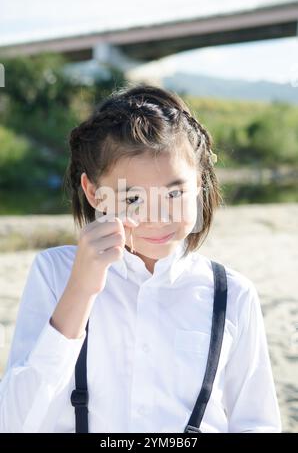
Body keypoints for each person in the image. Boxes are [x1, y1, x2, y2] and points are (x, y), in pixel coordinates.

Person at [0, 84, 281, 433]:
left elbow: (257, 423)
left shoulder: (233, 294)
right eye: (132, 198)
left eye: (175, 192)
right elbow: (16, 423)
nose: (157, 216)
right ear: (93, 192)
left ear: (200, 183)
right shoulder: (55, 273)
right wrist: (80, 291)